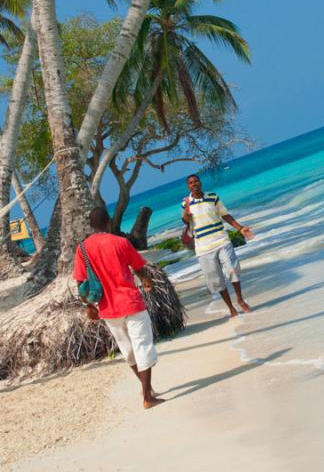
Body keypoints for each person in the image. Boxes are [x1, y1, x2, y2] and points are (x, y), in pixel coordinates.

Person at [73, 206, 164, 410]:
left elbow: (80, 282)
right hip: (131, 302)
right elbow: (138, 267)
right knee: (143, 347)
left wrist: (89, 306)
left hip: (106, 308)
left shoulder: (83, 249)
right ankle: (148, 397)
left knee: (128, 350)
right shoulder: (120, 242)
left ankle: (145, 388)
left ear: (91, 226)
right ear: (108, 222)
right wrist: (147, 281)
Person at [182, 174, 254, 318]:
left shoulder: (213, 197)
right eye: (190, 183)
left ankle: (240, 300)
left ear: (200, 183)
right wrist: (187, 211)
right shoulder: (186, 202)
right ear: (188, 186)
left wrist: (240, 228)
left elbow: (225, 215)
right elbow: (185, 221)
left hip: (221, 240)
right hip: (203, 247)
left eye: (196, 181)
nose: (194, 184)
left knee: (233, 269)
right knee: (217, 280)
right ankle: (231, 308)